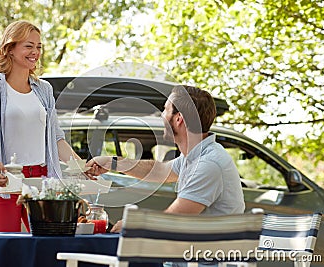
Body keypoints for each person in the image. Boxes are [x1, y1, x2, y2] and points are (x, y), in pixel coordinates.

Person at [86, 85, 245, 233]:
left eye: (165, 110)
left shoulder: (208, 164)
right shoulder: (195, 157)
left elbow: (173, 220)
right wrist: (111, 162)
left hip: (201, 261)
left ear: (178, 119)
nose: (161, 116)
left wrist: (132, 225)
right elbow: (158, 170)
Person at [0, 20, 80, 232]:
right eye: (28, 46)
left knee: (46, 248)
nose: (35, 52)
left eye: (38, 46)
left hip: (41, 182)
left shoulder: (44, 89)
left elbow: (56, 138)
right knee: (6, 250)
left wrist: (81, 167)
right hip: (5, 181)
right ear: (10, 49)